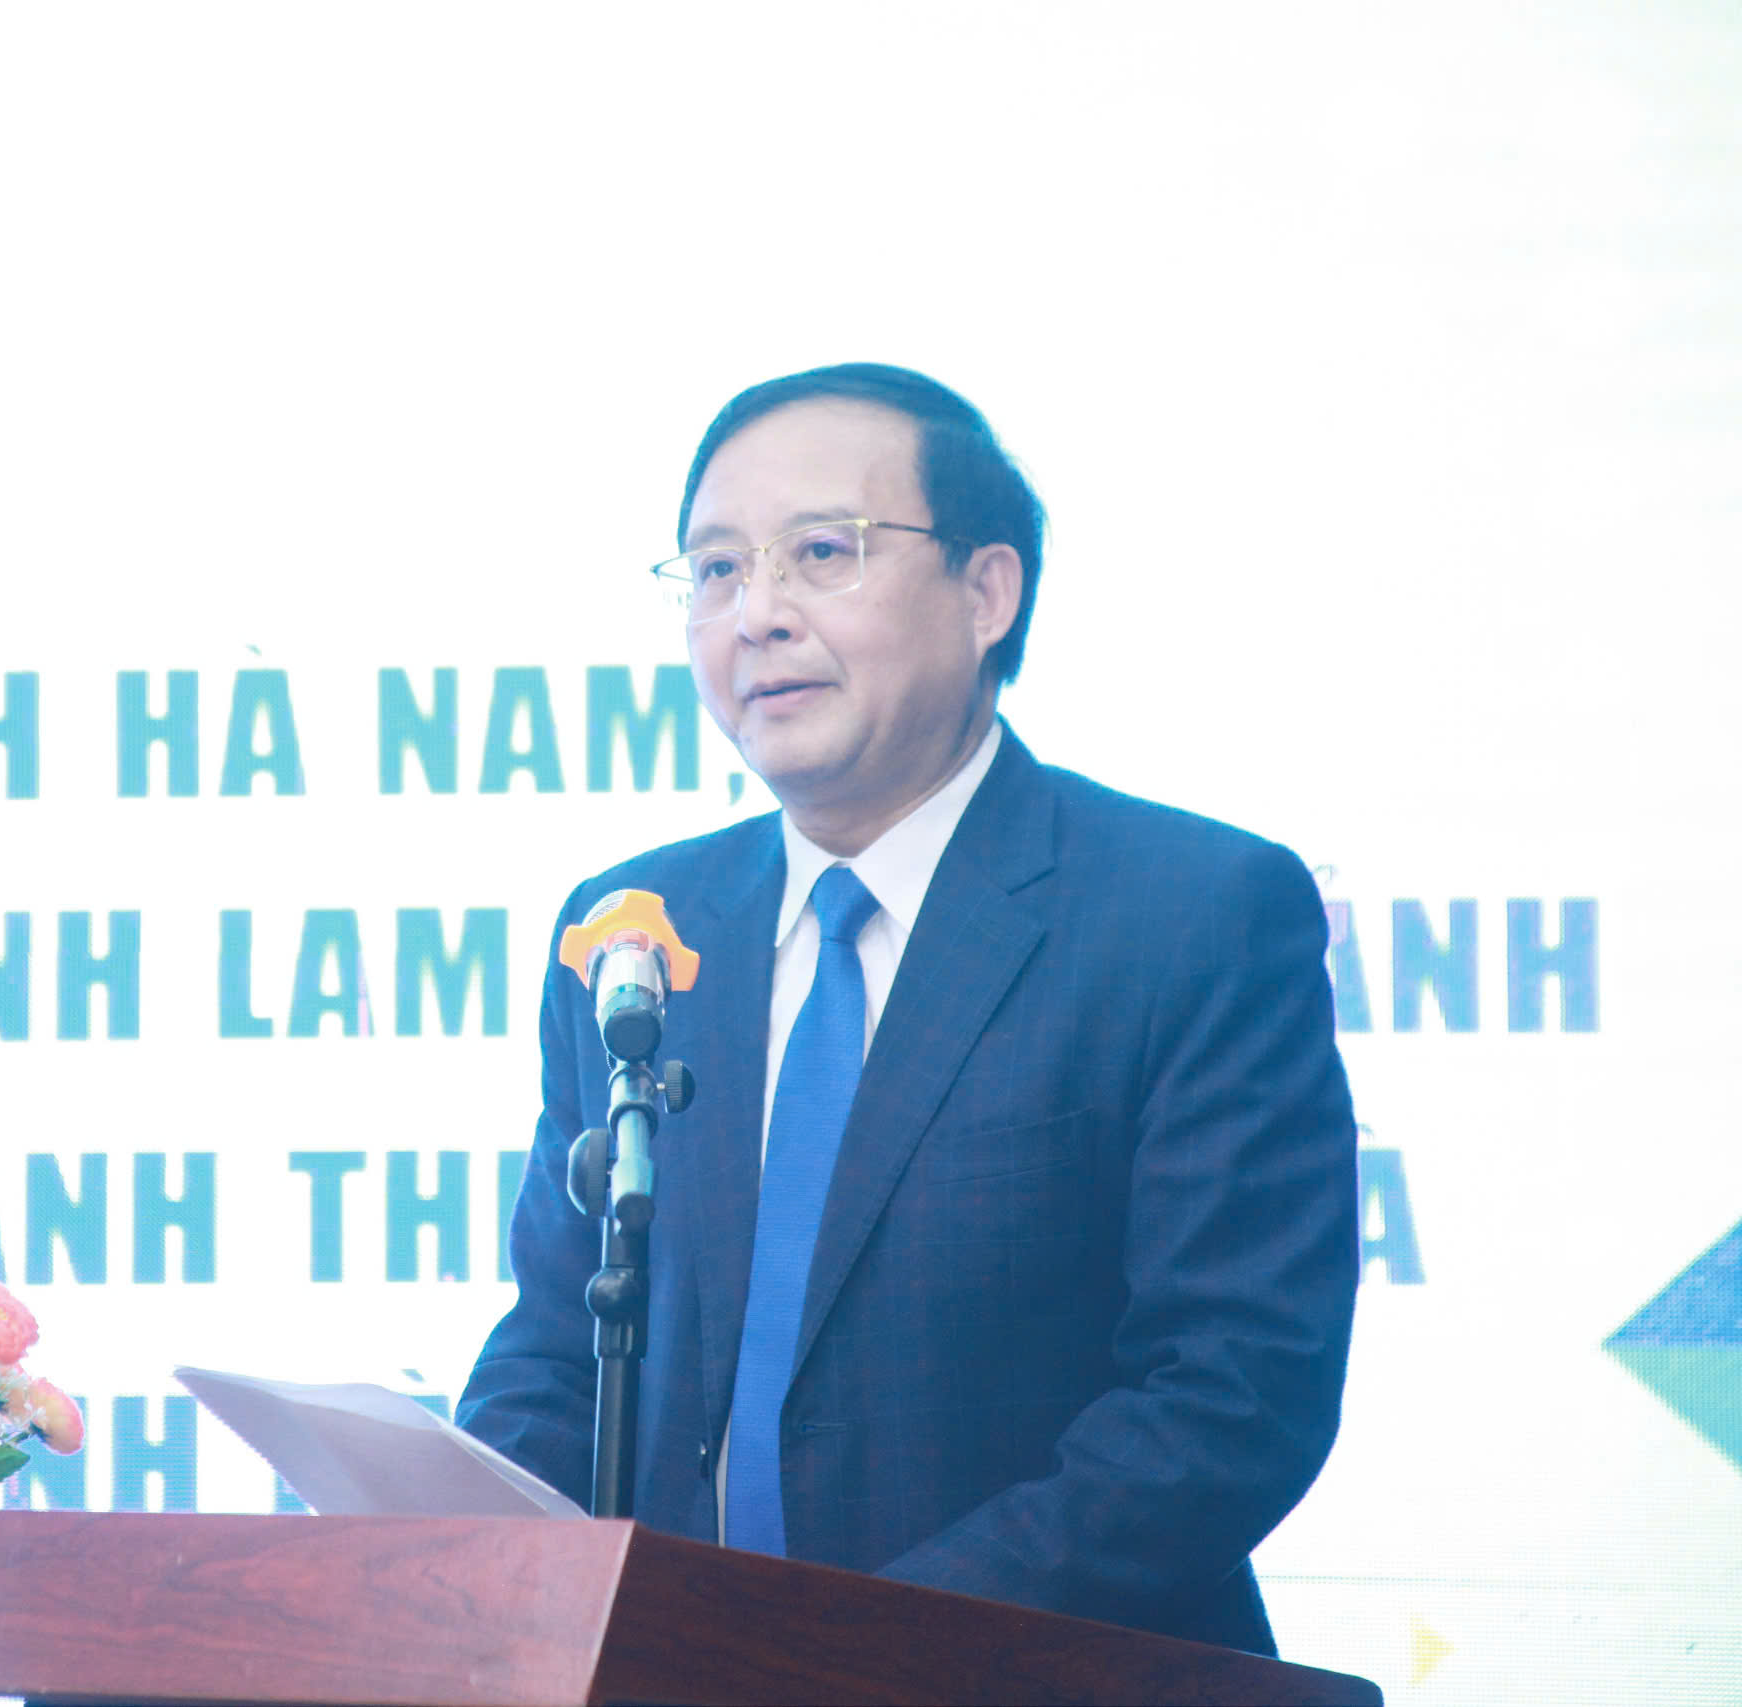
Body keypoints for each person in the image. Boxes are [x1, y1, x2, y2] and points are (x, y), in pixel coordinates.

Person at [456, 362, 1358, 1656]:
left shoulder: (1190, 914)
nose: (756, 616)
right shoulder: (636, 930)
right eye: (715, 571)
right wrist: (467, 1572)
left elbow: (1230, 1395)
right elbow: (557, 1345)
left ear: (987, 591)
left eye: (821, 553)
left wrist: (849, 1654)